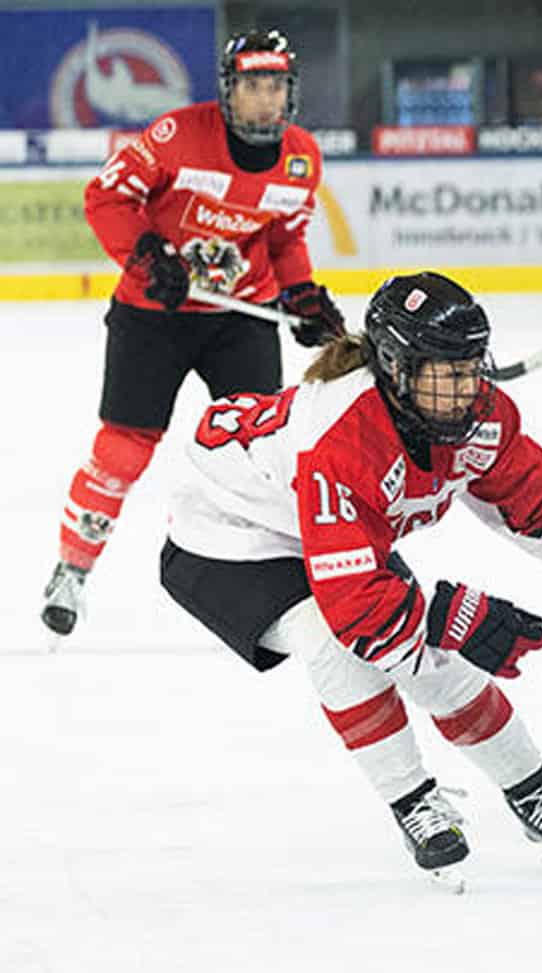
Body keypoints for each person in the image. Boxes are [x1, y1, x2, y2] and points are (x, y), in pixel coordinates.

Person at [160, 271, 542, 889]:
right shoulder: (341, 441)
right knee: (339, 647)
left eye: (472, 367)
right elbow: (358, 610)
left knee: (431, 657)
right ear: (395, 367)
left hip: (316, 523)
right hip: (228, 537)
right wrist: (450, 615)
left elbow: (537, 496)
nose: (467, 389)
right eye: (447, 373)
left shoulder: (470, 413)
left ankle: (533, 792)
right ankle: (412, 800)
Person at [41, 29, 345, 638]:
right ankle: (72, 568)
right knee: (125, 448)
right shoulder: (176, 137)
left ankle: (285, 579)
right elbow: (106, 198)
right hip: (153, 318)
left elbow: (284, 239)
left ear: (290, 93)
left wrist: (302, 294)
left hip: (240, 317)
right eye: (253, 86)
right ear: (230, 91)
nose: (265, 100)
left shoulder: (301, 156)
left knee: (264, 452)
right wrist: (149, 256)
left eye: (276, 87)